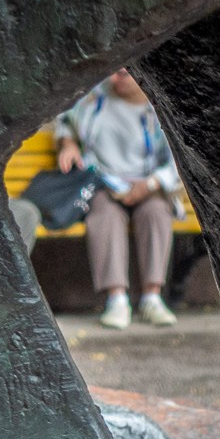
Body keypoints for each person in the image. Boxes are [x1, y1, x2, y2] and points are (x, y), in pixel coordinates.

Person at [55, 69, 183, 329]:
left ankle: (152, 297)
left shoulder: (160, 109)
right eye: (115, 72)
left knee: (157, 212)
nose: (116, 78)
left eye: (125, 73)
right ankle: (116, 299)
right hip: (104, 182)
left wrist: (149, 185)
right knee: (104, 214)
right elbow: (65, 120)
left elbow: (177, 161)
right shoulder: (96, 100)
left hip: (147, 184)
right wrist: (68, 144)